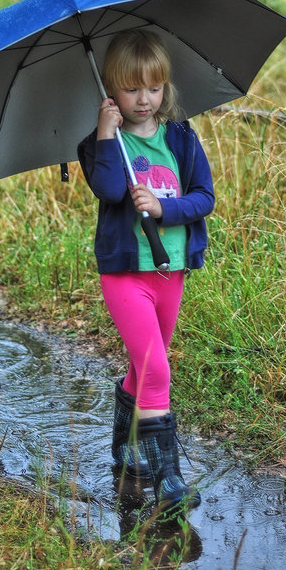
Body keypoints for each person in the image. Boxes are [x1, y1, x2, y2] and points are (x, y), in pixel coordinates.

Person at [77, 28, 215, 513]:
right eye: (132, 89)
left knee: (143, 366)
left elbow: (204, 198)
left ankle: (126, 448)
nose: (144, 99)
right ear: (112, 90)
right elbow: (112, 190)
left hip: (170, 269)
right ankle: (168, 479)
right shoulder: (99, 145)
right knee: (158, 368)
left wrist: (161, 208)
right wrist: (105, 132)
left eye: (153, 88)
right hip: (125, 273)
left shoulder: (180, 137)